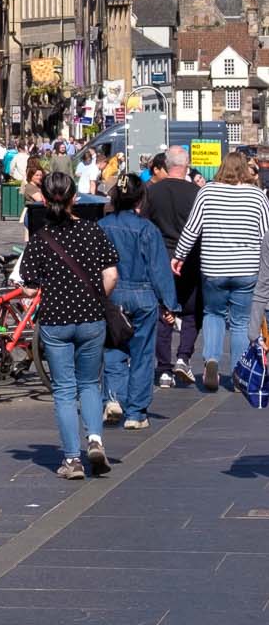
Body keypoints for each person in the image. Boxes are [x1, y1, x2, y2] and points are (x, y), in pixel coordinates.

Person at [19, 170, 118, 478]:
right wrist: (96, 299)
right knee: (90, 383)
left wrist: (29, 292)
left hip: (55, 321)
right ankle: (96, 440)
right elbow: (112, 275)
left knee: (64, 390)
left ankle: (72, 460)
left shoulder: (40, 239)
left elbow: (30, 288)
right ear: (75, 197)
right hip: (91, 319)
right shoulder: (93, 231)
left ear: (44, 200)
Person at [173, 151, 269, 391]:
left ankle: (211, 360)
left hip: (213, 267)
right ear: (245, 170)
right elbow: (265, 234)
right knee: (241, 321)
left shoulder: (207, 192)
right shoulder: (257, 196)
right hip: (247, 267)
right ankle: (238, 372)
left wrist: (179, 256)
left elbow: (192, 229)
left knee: (213, 314)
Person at [100, 177, 178, 430]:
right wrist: (169, 305)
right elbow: (159, 270)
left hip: (112, 293)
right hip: (142, 294)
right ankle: (136, 412)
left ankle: (112, 397)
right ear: (140, 199)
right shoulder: (147, 229)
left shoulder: (101, 226)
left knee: (113, 349)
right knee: (142, 353)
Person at [145, 148, 202, 388]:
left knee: (163, 313)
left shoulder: (152, 192)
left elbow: (145, 226)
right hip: (190, 258)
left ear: (166, 165)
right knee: (192, 311)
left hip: (161, 257)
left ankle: (164, 368)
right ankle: (183, 357)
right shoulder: (197, 193)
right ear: (186, 165)